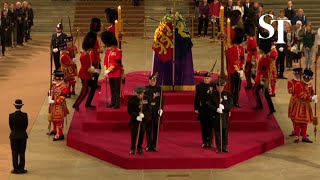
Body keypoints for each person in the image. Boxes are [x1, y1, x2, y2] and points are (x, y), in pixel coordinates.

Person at [72, 32, 98, 111]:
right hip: (85, 76)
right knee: (84, 91)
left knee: (93, 87)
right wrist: (94, 71)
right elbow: (87, 68)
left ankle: (88, 103)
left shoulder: (86, 54)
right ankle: (76, 105)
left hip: (87, 75)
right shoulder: (84, 56)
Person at [252, 32, 276, 117]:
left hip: (262, 78)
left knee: (256, 91)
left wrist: (262, 80)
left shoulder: (266, 59)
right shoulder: (265, 57)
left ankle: (261, 105)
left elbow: (264, 70)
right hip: (262, 77)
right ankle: (270, 108)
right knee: (264, 94)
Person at [291, 69, 317, 143]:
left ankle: (304, 137)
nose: (308, 79)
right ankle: (297, 137)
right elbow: (300, 95)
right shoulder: (298, 84)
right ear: (304, 77)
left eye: (309, 78)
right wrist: (310, 98)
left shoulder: (309, 84)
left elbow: (311, 92)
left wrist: (314, 96)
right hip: (300, 105)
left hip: (306, 105)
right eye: (307, 78)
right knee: (298, 122)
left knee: (305, 122)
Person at [208, 79, 233, 153]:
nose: (220, 88)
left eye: (221, 87)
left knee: (225, 132)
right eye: (218, 87)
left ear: (223, 87)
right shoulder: (212, 94)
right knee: (218, 132)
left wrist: (224, 107)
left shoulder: (227, 94)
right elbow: (209, 104)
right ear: (216, 87)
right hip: (216, 116)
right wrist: (216, 109)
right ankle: (219, 147)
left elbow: (231, 104)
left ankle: (224, 146)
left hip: (225, 116)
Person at [101, 31, 122, 109]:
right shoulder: (108, 51)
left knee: (117, 89)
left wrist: (108, 70)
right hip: (110, 74)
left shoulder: (118, 51)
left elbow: (116, 63)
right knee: (112, 89)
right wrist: (105, 71)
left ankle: (117, 103)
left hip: (116, 73)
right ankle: (112, 102)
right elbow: (105, 61)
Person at [128, 86, 152, 155]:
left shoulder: (147, 99)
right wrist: (136, 116)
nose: (139, 95)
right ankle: (133, 148)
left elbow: (149, 109)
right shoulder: (132, 100)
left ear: (143, 93)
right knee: (134, 134)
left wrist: (144, 115)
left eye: (141, 94)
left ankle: (139, 147)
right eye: (138, 94)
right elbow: (130, 110)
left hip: (143, 120)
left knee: (141, 133)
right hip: (135, 120)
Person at [194, 72, 215, 148]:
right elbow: (197, 97)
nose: (206, 80)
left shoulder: (214, 86)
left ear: (210, 79)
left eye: (207, 78)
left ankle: (210, 142)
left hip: (211, 109)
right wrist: (196, 108)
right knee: (204, 126)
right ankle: (204, 142)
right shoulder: (199, 86)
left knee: (210, 126)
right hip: (202, 109)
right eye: (205, 78)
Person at [144, 74, 164, 152]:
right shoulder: (145, 89)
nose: (153, 82)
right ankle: (149, 145)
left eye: (154, 81)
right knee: (148, 129)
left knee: (156, 129)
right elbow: (144, 101)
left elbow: (162, 100)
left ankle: (154, 145)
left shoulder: (159, 89)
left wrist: (161, 109)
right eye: (151, 81)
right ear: (149, 81)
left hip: (156, 110)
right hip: (149, 111)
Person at [48, 70, 69, 141]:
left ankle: (60, 134)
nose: (55, 80)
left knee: (59, 120)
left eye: (57, 79)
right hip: (53, 106)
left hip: (59, 106)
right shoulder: (53, 85)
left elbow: (62, 98)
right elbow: (50, 93)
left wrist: (53, 101)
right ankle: (54, 130)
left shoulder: (64, 87)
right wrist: (49, 93)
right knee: (53, 118)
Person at [227, 27, 245, 108]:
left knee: (237, 88)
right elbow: (231, 61)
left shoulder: (241, 48)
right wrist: (237, 69)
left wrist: (242, 67)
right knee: (232, 88)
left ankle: (236, 102)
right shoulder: (230, 49)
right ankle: (231, 102)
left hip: (239, 70)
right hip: (232, 71)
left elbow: (242, 58)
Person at [9, 99, 28, 174]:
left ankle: (15, 169)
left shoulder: (11, 115)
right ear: (21, 106)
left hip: (13, 136)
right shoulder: (25, 115)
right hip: (23, 135)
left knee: (14, 152)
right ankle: (21, 169)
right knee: (22, 153)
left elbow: (11, 126)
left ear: (15, 106)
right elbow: (26, 125)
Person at [287, 68, 302, 136]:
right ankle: (296, 130)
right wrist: (296, 87)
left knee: (301, 117)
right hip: (294, 101)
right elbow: (290, 91)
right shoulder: (291, 81)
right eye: (296, 73)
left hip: (302, 102)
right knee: (293, 117)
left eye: (299, 73)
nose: (297, 75)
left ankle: (301, 130)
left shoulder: (303, 82)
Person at [89, 18, 103, 89]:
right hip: (94, 57)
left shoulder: (93, 35)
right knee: (96, 70)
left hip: (95, 56)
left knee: (96, 70)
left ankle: (94, 82)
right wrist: (100, 50)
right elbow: (94, 48)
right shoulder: (93, 37)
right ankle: (93, 83)